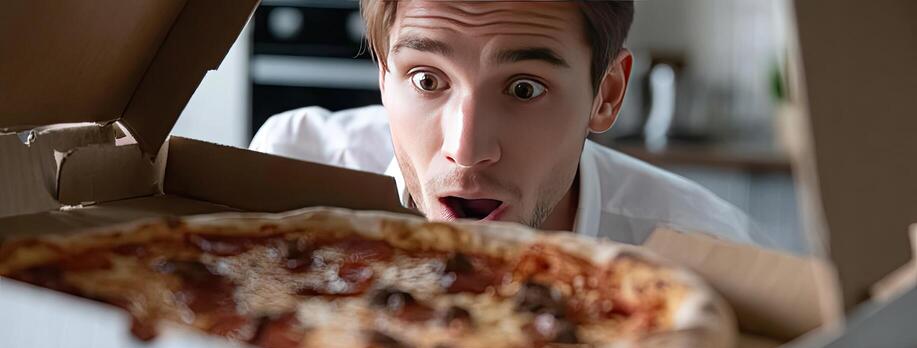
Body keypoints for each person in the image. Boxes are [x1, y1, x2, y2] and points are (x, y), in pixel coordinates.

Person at [250, 0, 773, 248]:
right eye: (428, 80)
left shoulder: (714, 260)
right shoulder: (292, 171)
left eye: (525, 88)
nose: (467, 149)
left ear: (606, 95)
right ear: (384, 77)